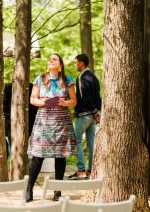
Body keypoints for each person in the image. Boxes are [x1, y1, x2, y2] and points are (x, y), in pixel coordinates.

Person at [26, 53, 77, 202]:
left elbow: (74, 100)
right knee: (37, 156)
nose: (51, 60)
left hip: (61, 122)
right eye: (49, 59)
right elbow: (32, 99)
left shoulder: (68, 80)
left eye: (54, 59)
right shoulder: (40, 79)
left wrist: (64, 103)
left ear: (60, 64)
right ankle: (29, 189)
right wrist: (44, 102)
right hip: (43, 122)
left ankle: (57, 191)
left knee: (60, 156)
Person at [68, 54, 101, 180]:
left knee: (76, 139)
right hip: (94, 115)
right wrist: (97, 113)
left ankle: (81, 170)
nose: (75, 65)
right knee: (91, 142)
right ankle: (91, 171)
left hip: (84, 114)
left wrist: (92, 111)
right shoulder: (94, 77)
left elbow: (85, 96)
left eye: (76, 62)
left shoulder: (82, 77)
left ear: (82, 63)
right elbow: (98, 97)